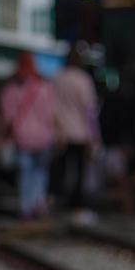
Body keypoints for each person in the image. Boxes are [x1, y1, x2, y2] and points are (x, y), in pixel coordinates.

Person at [0, 52, 56, 220]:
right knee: (40, 173)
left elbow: (6, 118)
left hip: (23, 138)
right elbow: (51, 115)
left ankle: (26, 207)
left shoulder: (11, 90)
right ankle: (38, 204)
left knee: (26, 173)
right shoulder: (45, 88)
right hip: (44, 138)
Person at [51, 48, 99, 214]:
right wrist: (94, 136)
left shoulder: (57, 78)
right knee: (79, 169)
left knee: (61, 168)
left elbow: (52, 107)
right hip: (80, 132)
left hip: (61, 132)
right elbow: (89, 111)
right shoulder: (83, 80)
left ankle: (59, 199)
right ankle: (77, 203)